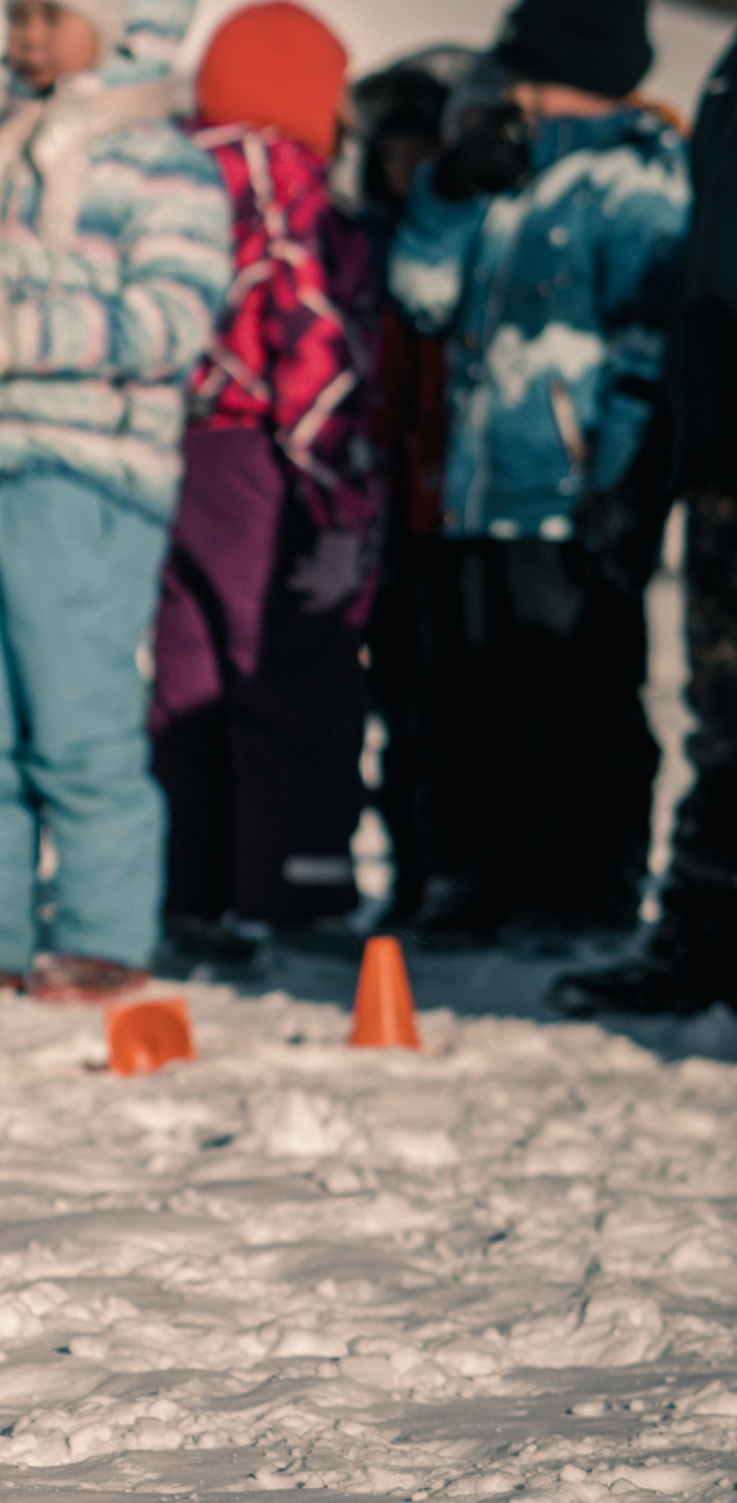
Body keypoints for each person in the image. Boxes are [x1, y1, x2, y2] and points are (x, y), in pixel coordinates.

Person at [0, 0, 231, 1001]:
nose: (27, 34)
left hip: (87, 479)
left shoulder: (164, 166)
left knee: (79, 717)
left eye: (54, 13)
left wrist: (17, 339)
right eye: (18, 11)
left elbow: (174, 317)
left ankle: (102, 935)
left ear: (124, 23)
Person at [388, 0, 688, 943]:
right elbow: (420, 297)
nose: (510, 91)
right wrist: (447, 192)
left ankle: (583, 882)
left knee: (575, 694)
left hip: (570, 493)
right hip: (476, 488)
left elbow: (647, 343)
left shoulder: (634, 182)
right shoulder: (499, 174)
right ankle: (478, 876)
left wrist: (623, 478)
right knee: (469, 692)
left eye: (527, 73)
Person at [149, 0, 381, 962]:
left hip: (170, 450)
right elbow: (316, 344)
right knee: (288, 667)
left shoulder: (169, 173)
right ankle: (296, 883)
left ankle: (192, 882)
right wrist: (342, 510)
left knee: (187, 673)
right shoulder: (287, 191)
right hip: (263, 459)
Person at [557, 0, 737, 1013]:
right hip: (717, 441)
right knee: (721, 707)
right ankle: (704, 940)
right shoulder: (725, 65)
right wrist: (662, 448)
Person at [351, 55, 463, 921]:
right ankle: (412, 872)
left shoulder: (459, 247)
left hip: (451, 510)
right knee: (396, 703)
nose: (406, 172)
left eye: (423, 154)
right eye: (393, 156)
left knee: (452, 701)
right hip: (387, 511)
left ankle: (452, 865)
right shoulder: (363, 251)